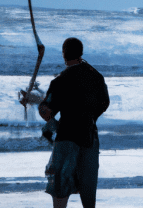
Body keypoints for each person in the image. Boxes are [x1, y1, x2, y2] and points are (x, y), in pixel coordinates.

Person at [38, 37, 110, 208]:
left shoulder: (61, 80)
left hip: (67, 140)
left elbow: (47, 112)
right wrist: (90, 117)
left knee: (60, 188)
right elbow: (104, 103)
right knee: (88, 191)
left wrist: (40, 106)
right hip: (89, 138)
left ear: (64, 54)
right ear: (81, 53)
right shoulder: (96, 76)